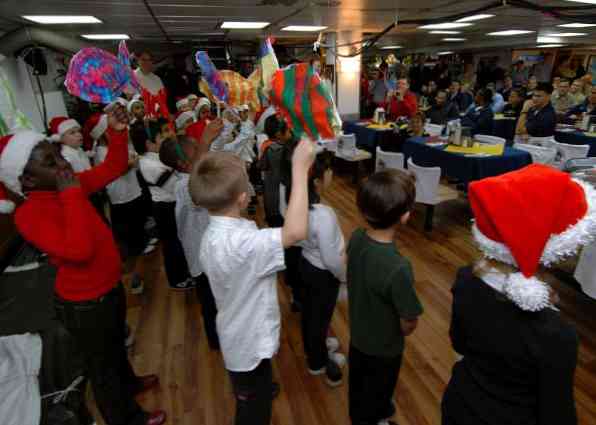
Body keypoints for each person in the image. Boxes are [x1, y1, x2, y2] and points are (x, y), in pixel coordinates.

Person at [0, 108, 166, 425]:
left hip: (107, 286)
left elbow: (113, 167)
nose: (63, 164)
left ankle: (130, 384)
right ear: (28, 180)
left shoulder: (68, 185)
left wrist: (117, 133)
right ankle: (127, 419)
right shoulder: (29, 214)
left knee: (115, 346)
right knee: (102, 369)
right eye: (50, 163)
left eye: (57, 155)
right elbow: (79, 250)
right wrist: (71, 195)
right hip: (85, 304)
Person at [442, 164, 592, 425]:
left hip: (459, 404)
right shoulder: (556, 335)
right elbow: (557, 412)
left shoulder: (466, 279)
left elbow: (459, 342)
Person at [191, 139, 315, 425]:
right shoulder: (243, 244)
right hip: (246, 343)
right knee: (254, 414)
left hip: (238, 334)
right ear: (242, 198)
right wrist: (299, 170)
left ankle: (258, 389)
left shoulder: (213, 234)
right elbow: (295, 232)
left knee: (256, 387)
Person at [347, 169, 423, 425]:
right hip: (385, 348)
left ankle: (365, 412)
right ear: (405, 216)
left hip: (358, 336)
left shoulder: (357, 238)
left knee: (358, 385)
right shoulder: (398, 267)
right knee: (379, 389)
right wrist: (405, 329)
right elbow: (408, 320)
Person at [158, 127, 222, 350]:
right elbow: (196, 194)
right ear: (184, 163)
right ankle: (216, 340)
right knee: (210, 301)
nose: (203, 150)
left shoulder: (194, 175)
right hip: (202, 258)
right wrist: (205, 142)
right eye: (197, 149)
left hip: (213, 253)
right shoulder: (182, 185)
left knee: (221, 297)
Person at [291, 152, 346, 387]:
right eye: (328, 171)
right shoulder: (324, 216)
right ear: (316, 181)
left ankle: (315, 348)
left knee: (310, 314)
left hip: (306, 264)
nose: (331, 174)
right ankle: (318, 362)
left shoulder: (297, 203)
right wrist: (343, 276)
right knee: (320, 319)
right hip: (323, 274)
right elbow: (332, 258)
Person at [135, 120, 193, 290]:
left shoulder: (160, 156)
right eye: (163, 134)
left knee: (179, 240)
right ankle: (177, 279)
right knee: (172, 244)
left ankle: (184, 271)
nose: (169, 135)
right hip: (165, 208)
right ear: (149, 143)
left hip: (172, 203)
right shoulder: (149, 164)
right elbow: (175, 186)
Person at [135, 50, 170, 120]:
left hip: (158, 115)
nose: (147, 62)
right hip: (141, 116)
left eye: (149, 60)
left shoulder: (157, 78)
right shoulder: (132, 76)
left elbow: (163, 98)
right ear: (138, 60)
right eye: (143, 59)